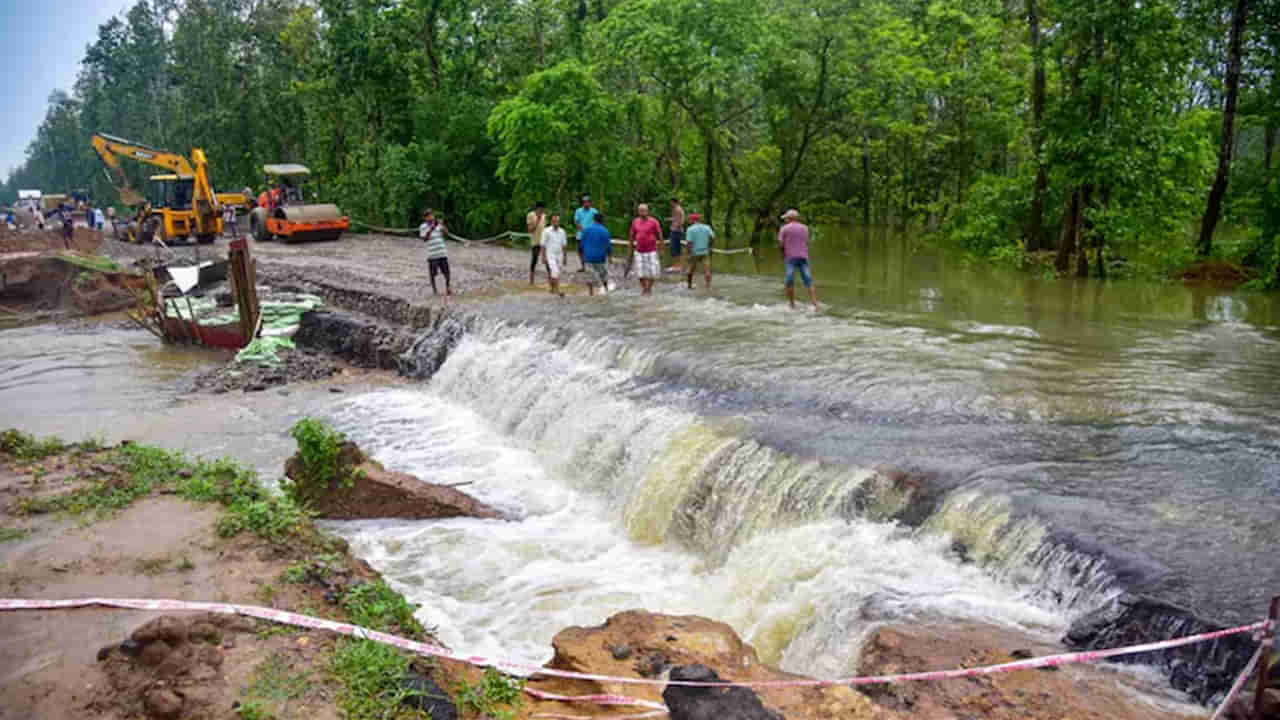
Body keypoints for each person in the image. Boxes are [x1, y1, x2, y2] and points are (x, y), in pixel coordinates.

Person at [778, 208, 818, 309]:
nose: (785, 220)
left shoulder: (784, 228)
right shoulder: (805, 228)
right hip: (803, 257)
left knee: (789, 281)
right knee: (808, 280)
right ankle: (815, 303)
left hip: (790, 258)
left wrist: (783, 254)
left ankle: (792, 305)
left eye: (786, 218)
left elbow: (781, 244)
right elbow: (806, 242)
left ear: (789, 218)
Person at [629, 203, 662, 295]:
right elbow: (631, 235)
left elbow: (659, 234)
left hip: (651, 250)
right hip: (639, 250)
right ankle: (644, 288)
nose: (642, 212)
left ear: (647, 211)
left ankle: (649, 288)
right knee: (639, 272)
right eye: (640, 211)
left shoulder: (654, 221)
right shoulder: (635, 221)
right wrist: (630, 248)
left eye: (644, 210)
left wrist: (661, 248)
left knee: (653, 272)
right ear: (638, 212)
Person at [419, 209, 451, 296]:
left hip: (442, 253)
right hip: (432, 255)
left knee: (446, 272)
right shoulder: (423, 226)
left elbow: (447, 233)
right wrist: (431, 229)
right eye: (428, 216)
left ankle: (448, 287)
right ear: (425, 218)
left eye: (431, 215)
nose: (431, 217)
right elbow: (424, 239)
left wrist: (442, 225)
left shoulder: (438, 224)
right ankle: (434, 290)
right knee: (433, 273)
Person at [581, 210, 612, 296]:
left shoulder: (586, 230)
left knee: (589, 276)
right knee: (603, 275)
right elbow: (608, 246)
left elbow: (581, 245)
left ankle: (591, 293)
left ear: (593, 219)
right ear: (602, 220)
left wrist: (582, 256)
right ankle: (606, 290)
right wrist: (610, 257)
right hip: (600, 258)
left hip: (588, 257)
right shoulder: (605, 231)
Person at [685, 213, 714, 290]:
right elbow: (712, 237)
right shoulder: (707, 227)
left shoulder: (690, 229)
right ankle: (708, 286)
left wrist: (688, 254)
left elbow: (689, 243)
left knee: (690, 270)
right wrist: (710, 247)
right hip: (705, 252)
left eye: (690, 219)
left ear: (693, 220)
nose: (689, 221)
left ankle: (689, 286)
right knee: (707, 270)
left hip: (694, 253)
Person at [541, 213, 568, 297]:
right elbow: (543, 245)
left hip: (559, 255)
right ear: (551, 221)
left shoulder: (562, 231)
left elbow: (564, 245)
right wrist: (543, 257)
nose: (556, 223)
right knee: (554, 271)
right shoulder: (546, 231)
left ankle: (552, 288)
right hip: (550, 255)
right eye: (554, 221)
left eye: (557, 221)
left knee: (556, 273)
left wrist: (565, 257)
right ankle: (558, 290)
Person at [526, 200, 547, 285]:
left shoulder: (544, 216)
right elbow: (530, 230)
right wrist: (538, 220)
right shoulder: (530, 215)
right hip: (535, 241)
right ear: (537, 208)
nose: (541, 211)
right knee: (534, 259)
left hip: (544, 242)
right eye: (540, 209)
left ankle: (551, 278)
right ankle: (531, 280)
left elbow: (544, 228)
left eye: (543, 209)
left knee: (547, 260)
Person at [573, 194, 595, 272]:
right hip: (580, 234)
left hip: (591, 235)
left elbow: (597, 221)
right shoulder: (578, 211)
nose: (586, 203)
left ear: (590, 203)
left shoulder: (594, 211)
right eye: (584, 202)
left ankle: (592, 266)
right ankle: (583, 266)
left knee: (591, 250)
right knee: (580, 250)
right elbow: (576, 221)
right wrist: (581, 229)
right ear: (582, 203)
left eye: (588, 202)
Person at [667, 197, 686, 272]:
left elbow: (681, 221)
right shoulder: (678, 209)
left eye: (671, 202)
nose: (670, 204)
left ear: (674, 202)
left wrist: (675, 226)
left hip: (676, 231)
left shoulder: (677, 209)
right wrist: (670, 219)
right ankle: (677, 265)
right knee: (675, 248)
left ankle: (677, 266)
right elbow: (676, 218)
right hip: (676, 231)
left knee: (675, 248)